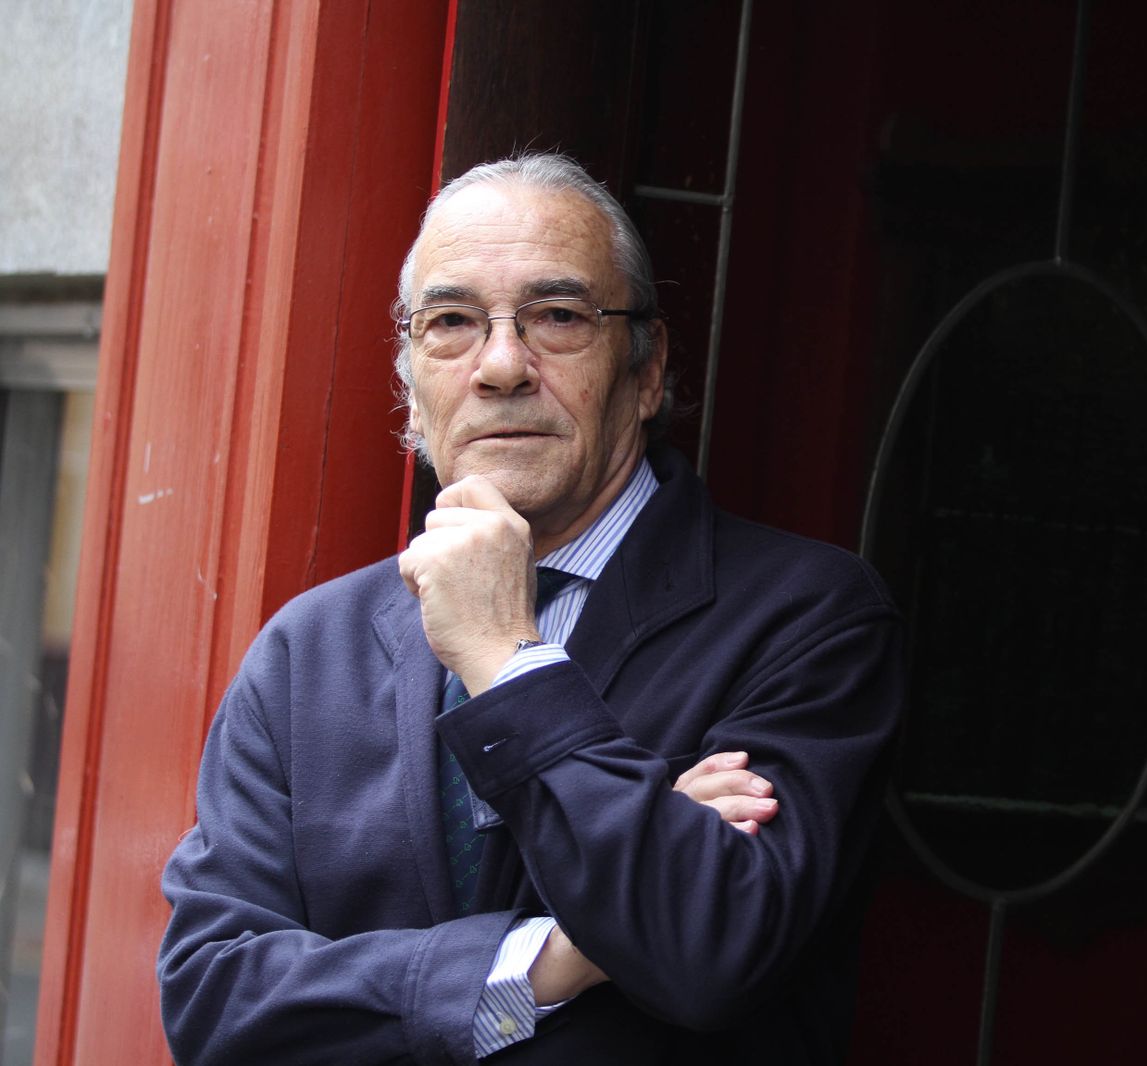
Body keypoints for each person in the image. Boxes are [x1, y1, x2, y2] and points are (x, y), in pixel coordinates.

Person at [156, 153, 904, 1064]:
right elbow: (214, 1002)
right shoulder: (307, 649)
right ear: (410, 377)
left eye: (557, 317)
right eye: (452, 323)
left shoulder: (809, 620)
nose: (502, 365)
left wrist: (509, 661)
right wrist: (549, 956)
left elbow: (710, 950)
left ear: (647, 369)